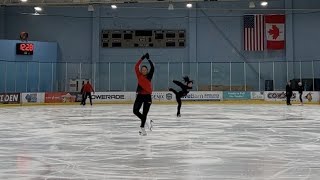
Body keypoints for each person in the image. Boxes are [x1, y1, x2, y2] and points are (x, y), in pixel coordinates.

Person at [133, 53, 154, 136]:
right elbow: (136, 66)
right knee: (135, 111)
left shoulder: (149, 76)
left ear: (147, 71)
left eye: (145, 69)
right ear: (141, 71)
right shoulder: (139, 75)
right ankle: (147, 121)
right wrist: (142, 58)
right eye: (142, 70)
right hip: (140, 96)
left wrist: (148, 59)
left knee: (144, 113)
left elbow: (152, 67)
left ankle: (143, 130)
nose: (144, 70)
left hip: (148, 97)